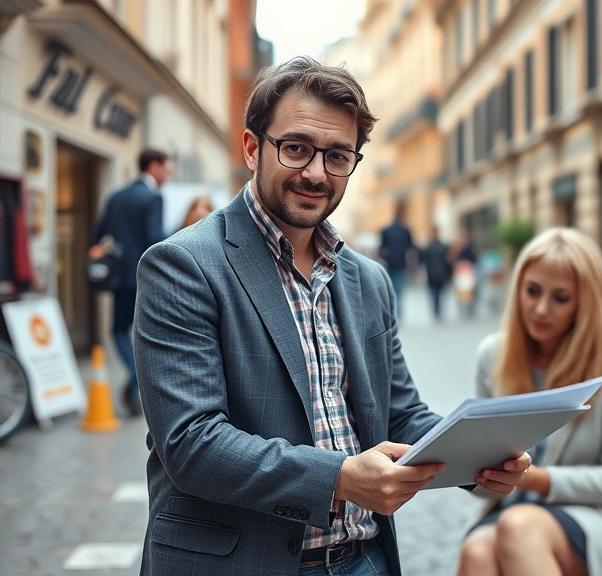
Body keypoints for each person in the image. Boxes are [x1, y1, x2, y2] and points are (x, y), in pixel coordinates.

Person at [133, 57, 530, 576]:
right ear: (253, 148)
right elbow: (193, 444)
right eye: (296, 148)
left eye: (339, 155)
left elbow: (399, 413)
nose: (317, 173)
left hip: (362, 560)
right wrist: (340, 477)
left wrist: (479, 457)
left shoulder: (369, 280)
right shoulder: (183, 265)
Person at [458, 227, 602, 576]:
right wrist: (471, 468)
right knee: (477, 551)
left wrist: (532, 478)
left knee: (520, 527)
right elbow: (480, 486)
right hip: (511, 510)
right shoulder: (495, 354)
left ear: (585, 302)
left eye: (561, 298)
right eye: (532, 292)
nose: (541, 309)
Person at [93, 147, 171, 416]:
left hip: (118, 278)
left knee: (117, 329)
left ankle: (134, 383)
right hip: (143, 277)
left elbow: (99, 234)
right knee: (145, 332)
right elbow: (156, 242)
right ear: (153, 167)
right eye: (166, 168)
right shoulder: (152, 198)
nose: (168, 174)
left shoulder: (116, 197)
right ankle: (139, 379)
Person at [379, 203, 414, 318]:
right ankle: (398, 313)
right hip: (401, 263)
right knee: (399, 290)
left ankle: (394, 312)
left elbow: (382, 248)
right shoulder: (406, 230)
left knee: (391, 289)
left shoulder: (386, 230)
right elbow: (411, 247)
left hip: (390, 263)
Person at [420, 226, 452, 320]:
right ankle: (437, 310)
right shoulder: (442, 246)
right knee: (438, 293)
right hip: (439, 273)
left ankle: (436, 310)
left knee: (435, 293)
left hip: (434, 274)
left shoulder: (429, 247)